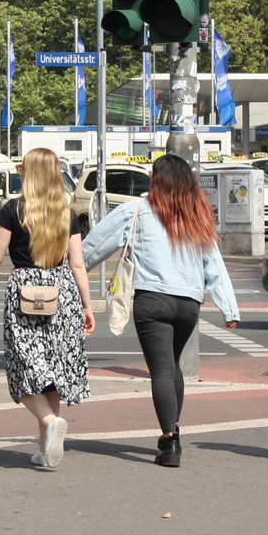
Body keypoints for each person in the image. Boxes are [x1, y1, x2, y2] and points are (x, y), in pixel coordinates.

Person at [82, 153, 240, 468]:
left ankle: (170, 442)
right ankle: (174, 430)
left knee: (162, 370)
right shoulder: (198, 217)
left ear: (157, 181)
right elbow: (214, 265)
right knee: (173, 366)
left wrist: (68, 271)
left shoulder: (136, 210)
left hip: (153, 301)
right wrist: (229, 308)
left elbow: (95, 246)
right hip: (189, 304)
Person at [0, 148, 95, 468]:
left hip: (25, 293)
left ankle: (51, 424)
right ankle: (46, 449)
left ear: (30, 173)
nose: (20, 171)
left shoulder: (14, 210)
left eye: (23, 167)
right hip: (62, 292)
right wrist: (87, 306)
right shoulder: (67, 213)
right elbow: (78, 264)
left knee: (22, 370)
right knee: (51, 373)